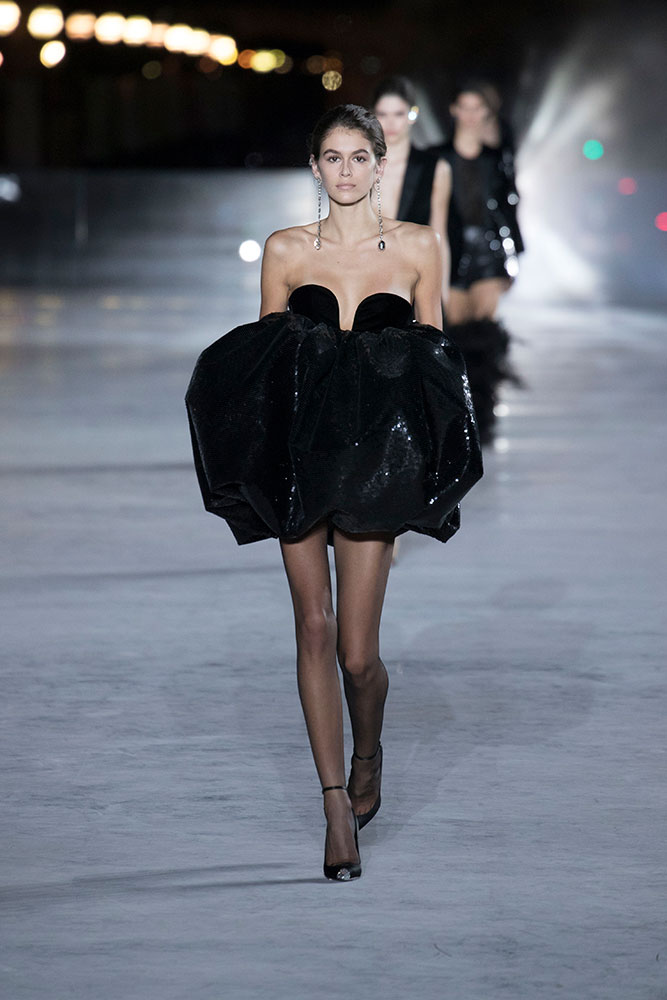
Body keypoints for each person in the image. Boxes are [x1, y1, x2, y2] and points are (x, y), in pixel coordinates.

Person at [186, 105, 483, 881]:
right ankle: (333, 810)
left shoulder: (418, 245)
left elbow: (436, 364)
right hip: (297, 456)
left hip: (375, 460)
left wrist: (435, 470)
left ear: (380, 164)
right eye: (331, 157)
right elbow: (263, 366)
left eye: (358, 157)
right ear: (314, 166)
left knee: (356, 655)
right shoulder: (287, 249)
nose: (345, 170)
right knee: (313, 630)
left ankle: (368, 754)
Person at [433, 81, 524, 442]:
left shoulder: (497, 157)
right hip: (451, 254)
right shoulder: (436, 156)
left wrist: (516, 253)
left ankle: (483, 418)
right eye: (465, 107)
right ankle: (458, 417)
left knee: (484, 336)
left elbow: (509, 205)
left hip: (489, 252)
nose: (471, 115)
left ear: (487, 113)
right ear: (454, 110)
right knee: (454, 336)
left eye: (478, 108)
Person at [372, 76, 452, 308]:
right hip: (365, 277)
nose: (390, 123)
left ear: (412, 114)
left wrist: (442, 294)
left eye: (398, 114)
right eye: (382, 114)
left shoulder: (435, 169)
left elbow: (439, 234)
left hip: (414, 282)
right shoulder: (359, 166)